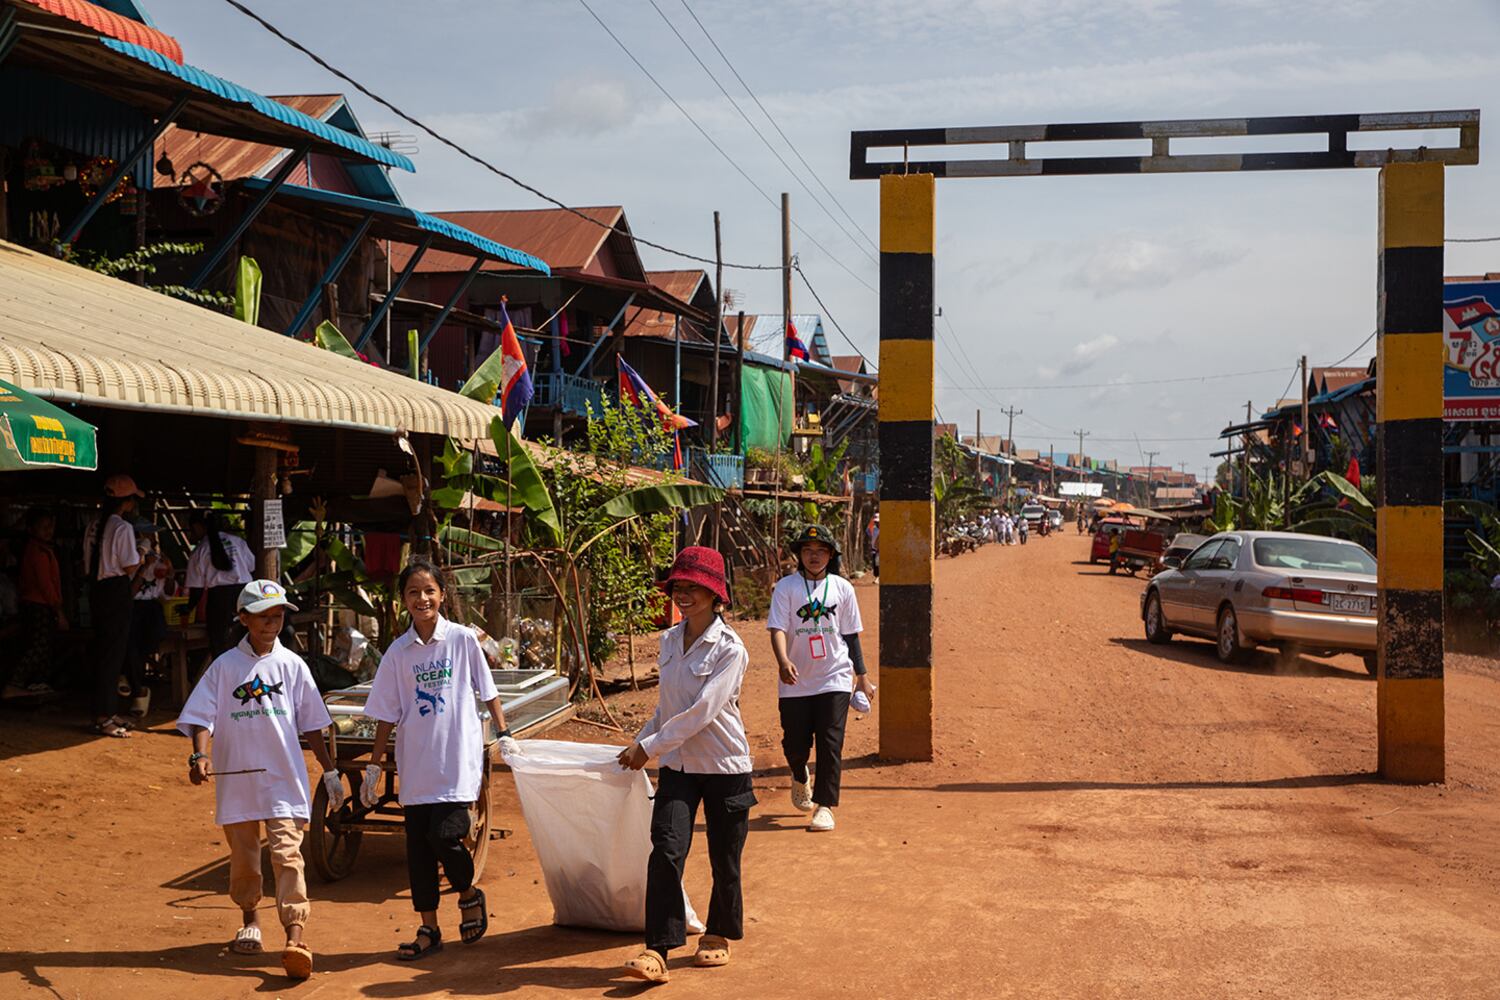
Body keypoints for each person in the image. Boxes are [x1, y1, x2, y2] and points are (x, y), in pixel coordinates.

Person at [176, 579, 338, 981]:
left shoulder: (293, 666)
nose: (273, 621)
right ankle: (250, 918)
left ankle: (295, 936)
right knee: (245, 855)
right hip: (238, 781)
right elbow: (201, 716)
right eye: (264, 615)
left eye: (279, 613)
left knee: (287, 854)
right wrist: (200, 754)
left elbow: (313, 723)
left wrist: (330, 769)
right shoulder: (225, 667)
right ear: (243, 618)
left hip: (284, 779)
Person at [361, 557, 512, 961]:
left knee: (445, 833)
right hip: (416, 765)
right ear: (404, 601)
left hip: (456, 761)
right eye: (413, 592)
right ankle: (428, 928)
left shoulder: (462, 640)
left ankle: (468, 892)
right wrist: (374, 766)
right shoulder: (398, 653)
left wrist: (503, 732)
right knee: (419, 849)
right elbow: (386, 713)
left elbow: (488, 690)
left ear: (442, 595)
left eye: (429, 590)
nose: (422, 598)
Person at [618, 546, 754, 984]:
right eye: (679, 586)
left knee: (724, 856)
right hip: (678, 765)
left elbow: (703, 712)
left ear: (716, 595)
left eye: (694, 587)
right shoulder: (668, 641)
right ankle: (657, 949)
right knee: (666, 851)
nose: (684, 594)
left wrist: (650, 747)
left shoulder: (731, 650)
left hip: (725, 765)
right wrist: (642, 740)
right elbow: (668, 707)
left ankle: (717, 933)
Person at [768, 525, 873, 834]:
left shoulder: (843, 588)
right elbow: (776, 628)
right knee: (795, 745)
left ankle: (824, 806)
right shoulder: (786, 587)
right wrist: (783, 660)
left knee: (831, 743)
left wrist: (862, 677)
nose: (814, 557)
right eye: (808, 551)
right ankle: (800, 774)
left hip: (834, 676)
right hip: (795, 679)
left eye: (821, 551)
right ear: (800, 555)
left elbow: (851, 636)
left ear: (830, 555)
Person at [82, 475, 145, 738]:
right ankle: (104, 716)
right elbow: (130, 566)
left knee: (104, 650)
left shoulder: (94, 525)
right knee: (112, 654)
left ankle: (107, 710)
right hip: (115, 589)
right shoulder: (122, 528)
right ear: (126, 502)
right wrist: (144, 551)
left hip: (96, 589)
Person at [9, 508, 65, 697]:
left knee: (45, 646)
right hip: (37, 605)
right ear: (32, 529)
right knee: (37, 646)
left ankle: (37, 683)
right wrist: (59, 610)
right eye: (43, 527)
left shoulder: (45, 550)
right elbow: (45, 585)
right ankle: (14, 682)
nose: (48, 531)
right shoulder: (36, 552)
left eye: (50, 527)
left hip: (42, 604)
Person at [183, 511, 255, 660]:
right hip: (245, 595)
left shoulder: (200, 551)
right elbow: (252, 566)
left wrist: (188, 608)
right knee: (248, 640)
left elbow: (196, 590)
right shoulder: (238, 541)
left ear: (197, 527)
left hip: (219, 600)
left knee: (220, 644)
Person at [125, 521, 172, 719]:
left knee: (146, 647)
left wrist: (170, 574)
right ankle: (137, 689)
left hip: (151, 608)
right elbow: (130, 592)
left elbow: (166, 594)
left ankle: (136, 686)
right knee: (130, 648)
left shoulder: (161, 560)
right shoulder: (131, 560)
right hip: (133, 608)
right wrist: (144, 567)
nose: (150, 541)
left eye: (152, 538)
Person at [866, 512, 880, 579]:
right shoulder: (873, 529)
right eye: (876, 522)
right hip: (875, 549)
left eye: (878, 522)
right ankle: (877, 577)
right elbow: (868, 531)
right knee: (876, 563)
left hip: (882, 549)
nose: (877, 523)